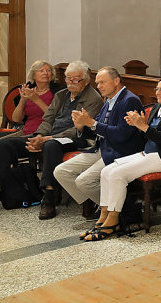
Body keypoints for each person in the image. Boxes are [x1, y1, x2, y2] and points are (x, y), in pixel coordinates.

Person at [0, 61, 101, 219]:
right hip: (48, 135)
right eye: (68, 79)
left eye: (76, 79)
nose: (71, 83)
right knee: (5, 144)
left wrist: (47, 138)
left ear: (86, 81)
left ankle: (49, 198)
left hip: (76, 138)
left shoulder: (94, 99)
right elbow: (47, 120)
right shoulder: (62, 95)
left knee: (52, 145)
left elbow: (79, 129)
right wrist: (38, 136)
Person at [82, 76, 161, 240]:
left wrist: (143, 126)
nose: (157, 92)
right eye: (157, 89)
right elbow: (147, 135)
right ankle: (103, 216)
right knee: (107, 171)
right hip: (149, 153)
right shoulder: (156, 108)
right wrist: (136, 125)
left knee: (118, 174)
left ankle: (113, 220)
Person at [54, 67, 144, 217]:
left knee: (84, 181)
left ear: (116, 81)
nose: (98, 86)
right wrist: (81, 126)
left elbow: (122, 134)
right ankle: (97, 204)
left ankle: (119, 209)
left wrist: (92, 123)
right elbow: (97, 129)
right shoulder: (108, 100)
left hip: (120, 151)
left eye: (102, 82)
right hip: (101, 147)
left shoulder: (129, 100)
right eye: (97, 83)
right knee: (61, 172)